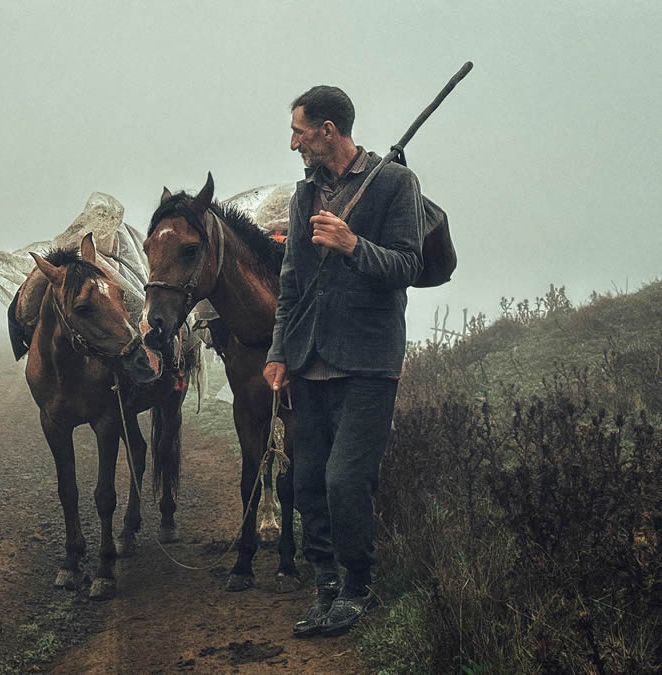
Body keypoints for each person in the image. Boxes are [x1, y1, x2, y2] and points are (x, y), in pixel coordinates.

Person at [263, 85, 424, 638]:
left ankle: (359, 588)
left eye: (299, 131)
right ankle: (326, 588)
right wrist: (279, 353)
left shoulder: (395, 184)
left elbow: (408, 265)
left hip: (369, 364)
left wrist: (355, 245)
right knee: (308, 482)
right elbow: (291, 282)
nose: (293, 143)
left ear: (328, 130)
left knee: (344, 481)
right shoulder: (304, 195)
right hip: (309, 361)